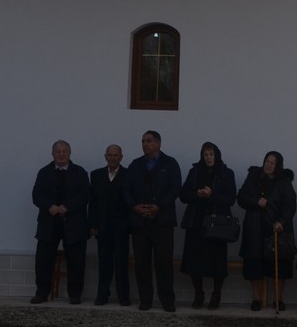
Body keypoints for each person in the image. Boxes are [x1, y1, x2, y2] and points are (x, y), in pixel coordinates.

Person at [123, 129, 181, 312]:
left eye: (148, 141)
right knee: (142, 263)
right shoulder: (135, 165)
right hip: (140, 222)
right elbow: (126, 189)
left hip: (162, 221)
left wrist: (159, 206)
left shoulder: (170, 164)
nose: (145, 144)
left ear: (158, 143)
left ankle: (167, 300)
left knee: (164, 262)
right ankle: (145, 299)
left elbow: (175, 188)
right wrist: (134, 207)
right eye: (142, 141)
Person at [30, 140, 91, 304]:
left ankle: (75, 295)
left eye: (64, 151)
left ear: (70, 154)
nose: (61, 154)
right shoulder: (44, 172)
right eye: (58, 151)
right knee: (43, 260)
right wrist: (49, 206)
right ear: (53, 154)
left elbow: (85, 195)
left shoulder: (80, 172)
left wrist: (67, 206)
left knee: (76, 260)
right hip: (48, 223)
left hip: (74, 224)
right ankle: (42, 293)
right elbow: (36, 195)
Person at [179, 141, 237, 309]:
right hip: (196, 222)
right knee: (193, 261)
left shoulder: (226, 173)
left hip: (217, 225)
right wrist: (197, 194)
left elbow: (230, 198)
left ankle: (216, 294)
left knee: (217, 262)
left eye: (211, 154)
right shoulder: (195, 171)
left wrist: (212, 195)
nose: (208, 157)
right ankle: (199, 294)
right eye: (205, 154)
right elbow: (183, 195)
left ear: (216, 155)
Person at [237, 150, 297, 311]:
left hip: (276, 228)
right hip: (254, 228)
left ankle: (278, 299)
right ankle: (257, 299)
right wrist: (256, 201)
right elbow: (241, 197)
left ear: (278, 166)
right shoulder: (253, 176)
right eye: (267, 161)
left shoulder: (284, 182)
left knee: (280, 265)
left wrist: (281, 222)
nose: (268, 165)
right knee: (255, 265)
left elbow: (290, 205)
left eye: (272, 163)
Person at [89, 143, 131, 306]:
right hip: (102, 226)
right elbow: (92, 202)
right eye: (110, 155)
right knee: (104, 262)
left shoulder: (129, 175)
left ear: (121, 157)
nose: (113, 158)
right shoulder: (96, 175)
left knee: (121, 262)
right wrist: (92, 223)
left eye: (116, 155)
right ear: (105, 156)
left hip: (121, 226)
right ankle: (102, 295)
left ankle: (124, 296)